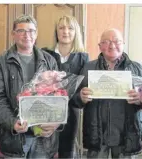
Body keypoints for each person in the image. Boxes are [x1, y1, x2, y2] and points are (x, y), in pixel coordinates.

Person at [0, 15, 60, 158]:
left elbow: (58, 97)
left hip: (43, 138)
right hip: (15, 139)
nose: (27, 35)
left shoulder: (49, 60)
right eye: (21, 31)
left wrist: (55, 123)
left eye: (31, 31)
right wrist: (12, 123)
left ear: (36, 33)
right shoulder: (0, 62)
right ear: (13, 34)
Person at [73, 28, 142, 158]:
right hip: (97, 133)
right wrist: (81, 97)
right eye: (106, 42)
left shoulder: (136, 68)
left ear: (123, 44)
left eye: (116, 41)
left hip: (127, 134)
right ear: (100, 46)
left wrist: (141, 99)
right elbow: (75, 99)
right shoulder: (88, 67)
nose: (112, 45)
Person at [42, 15, 89, 158]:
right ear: (56, 31)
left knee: (66, 151)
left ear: (76, 32)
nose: (66, 31)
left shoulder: (83, 57)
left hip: (70, 113)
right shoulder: (45, 53)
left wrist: (78, 97)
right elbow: (39, 83)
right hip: (46, 112)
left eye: (70, 28)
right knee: (44, 150)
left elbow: (82, 88)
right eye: (61, 27)